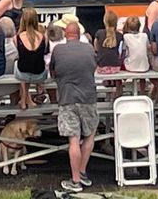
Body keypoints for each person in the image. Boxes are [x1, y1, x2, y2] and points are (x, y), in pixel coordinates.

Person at [49, 16, 99, 193]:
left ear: (65, 34)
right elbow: (94, 67)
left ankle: (75, 180)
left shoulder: (58, 50)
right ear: (79, 34)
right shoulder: (89, 48)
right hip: (89, 97)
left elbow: (53, 72)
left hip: (68, 98)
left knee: (74, 140)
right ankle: (83, 172)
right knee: (90, 135)